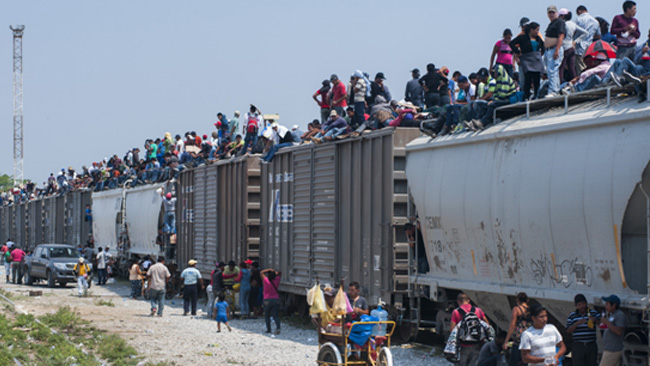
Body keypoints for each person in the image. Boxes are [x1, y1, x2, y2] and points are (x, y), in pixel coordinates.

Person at [450, 293, 490, 366]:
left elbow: (452, 330)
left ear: (458, 301)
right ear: (468, 300)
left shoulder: (456, 312)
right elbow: (487, 325)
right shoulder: (478, 310)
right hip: (477, 343)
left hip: (463, 344)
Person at [512, 22, 546, 101]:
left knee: (537, 78)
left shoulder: (538, 38)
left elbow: (543, 46)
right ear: (531, 30)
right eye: (536, 30)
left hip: (536, 59)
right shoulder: (523, 38)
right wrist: (517, 52)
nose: (537, 32)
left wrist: (540, 54)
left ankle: (536, 95)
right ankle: (526, 97)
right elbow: (512, 43)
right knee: (528, 78)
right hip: (527, 59)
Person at [567, 294, 601, 366]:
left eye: (583, 304)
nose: (582, 306)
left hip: (591, 345)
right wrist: (577, 324)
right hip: (578, 345)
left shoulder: (593, 313)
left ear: (586, 303)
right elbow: (568, 330)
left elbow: (602, 325)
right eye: (579, 304)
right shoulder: (572, 316)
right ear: (576, 306)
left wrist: (594, 320)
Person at [558, 9, 587, 83]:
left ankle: (560, 85)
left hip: (564, 47)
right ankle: (575, 84)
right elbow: (585, 33)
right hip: (571, 47)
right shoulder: (572, 24)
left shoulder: (563, 24)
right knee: (572, 68)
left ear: (563, 16)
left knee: (561, 67)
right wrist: (575, 41)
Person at [544, 5, 567, 97]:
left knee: (552, 70)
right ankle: (555, 89)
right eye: (549, 13)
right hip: (549, 50)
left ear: (557, 13)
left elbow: (561, 36)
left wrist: (557, 50)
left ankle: (553, 91)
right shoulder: (551, 23)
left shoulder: (559, 22)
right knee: (551, 71)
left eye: (553, 12)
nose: (551, 14)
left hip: (554, 48)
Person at [503, 292, 531, 366]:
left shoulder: (516, 309)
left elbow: (512, 325)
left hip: (519, 339)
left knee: (514, 362)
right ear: (527, 300)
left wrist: (506, 341)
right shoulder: (530, 310)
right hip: (529, 338)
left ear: (517, 300)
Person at [599, 294, 625, 366]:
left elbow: (618, 331)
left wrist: (607, 322)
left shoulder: (619, 315)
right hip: (609, 348)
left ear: (613, 305)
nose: (605, 306)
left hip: (612, 350)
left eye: (607, 304)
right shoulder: (613, 315)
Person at [575, 6, 601, 74]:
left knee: (581, 69)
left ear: (579, 11)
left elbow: (573, 32)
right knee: (590, 67)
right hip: (590, 48)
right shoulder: (595, 21)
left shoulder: (578, 19)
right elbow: (598, 36)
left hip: (579, 48)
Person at [261, 268, 281, 335]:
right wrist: (274, 272)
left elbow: (261, 273)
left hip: (267, 300)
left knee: (267, 315)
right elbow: (280, 273)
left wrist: (268, 270)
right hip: (276, 299)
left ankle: (268, 329)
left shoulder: (266, 280)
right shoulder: (277, 280)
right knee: (275, 315)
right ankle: (278, 328)